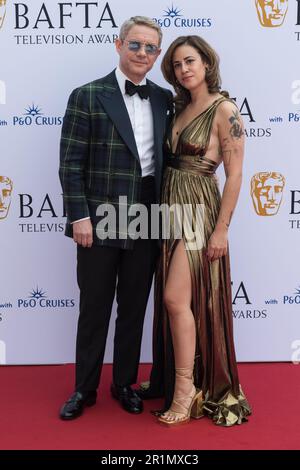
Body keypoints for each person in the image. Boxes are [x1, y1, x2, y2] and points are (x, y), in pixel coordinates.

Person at [59, 16, 173, 420]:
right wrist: (80, 217)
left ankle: (124, 383)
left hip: (147, 212)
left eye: (150, 48)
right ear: (119, 44)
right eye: (135, 45)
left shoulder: (163, 99)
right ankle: (84, 389)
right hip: (102, 213)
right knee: (94, 307)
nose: (142, 53)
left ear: (158, 54)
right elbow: (70, 164)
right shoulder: (87, 95)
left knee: (133, 307)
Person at [138, 35, 251, 426]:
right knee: (178, 301)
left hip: (199, 211)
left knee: (173, 298)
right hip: (169, 210)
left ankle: (187, 393)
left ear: (206, 62)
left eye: (190, 61)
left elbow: (235, 176)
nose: (183, 69)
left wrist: (221, 231)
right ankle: (179, 383)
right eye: (177, 65)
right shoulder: (180, 107)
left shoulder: (224, 109)